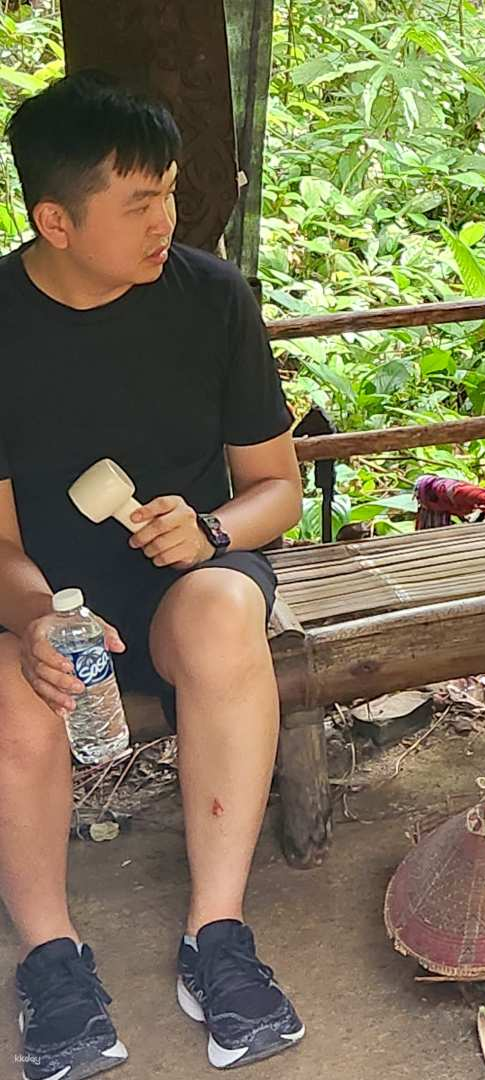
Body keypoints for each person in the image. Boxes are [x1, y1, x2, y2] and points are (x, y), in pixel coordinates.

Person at [0, 74, 306, 1077]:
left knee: (224, 614)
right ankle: (53, 958)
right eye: (139, 202)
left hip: (181, 585)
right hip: (40, 599)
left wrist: (211, 529)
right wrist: (38, 617)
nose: (166, 220)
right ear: (54, 218)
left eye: (169, 191)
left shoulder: (211, 297)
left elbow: (276, 489)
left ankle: (215, 937)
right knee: (13, 691)